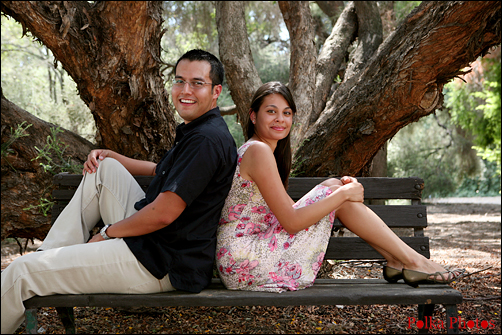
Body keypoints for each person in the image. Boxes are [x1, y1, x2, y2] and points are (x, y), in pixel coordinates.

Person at [1, 49, 238, 333]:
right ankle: (50, 258)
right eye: (179, 81)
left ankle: (42, 266)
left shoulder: (206, 140)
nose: (185, 90)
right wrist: (111, 155)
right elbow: (159, 170)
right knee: (104, 169)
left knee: (20, 272)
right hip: (156, 244)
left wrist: (107, 232)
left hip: (159, 263)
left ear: (216, 91)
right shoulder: (200, 129)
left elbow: (163, 214)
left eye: (197, 83)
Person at [216, 81, 465, 293]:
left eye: (287, 112)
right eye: (271, 111)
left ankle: (399, 260)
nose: (280, 119)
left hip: (247, 251)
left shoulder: (261, 151)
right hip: (244, 259)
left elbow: (281, 214)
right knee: (339, 194)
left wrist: (337, 190)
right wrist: (343, 195)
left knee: (334, 186)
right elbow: (291, 222)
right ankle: (412, 261)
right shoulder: (258, 151)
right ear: (253, 115)